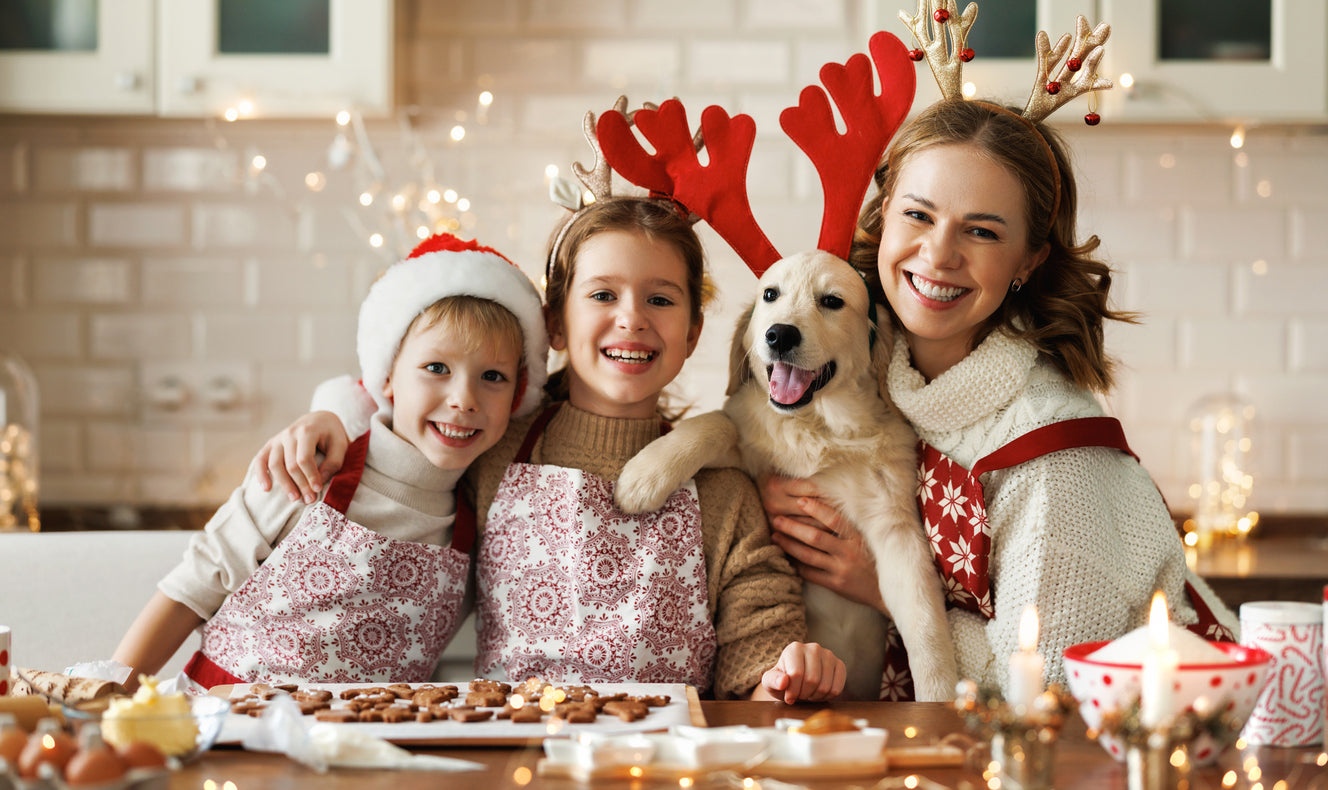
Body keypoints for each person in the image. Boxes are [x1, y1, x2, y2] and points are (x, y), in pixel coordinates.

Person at [253, 198, 845, 703]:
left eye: (660, 300)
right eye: (603, 294)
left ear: (692, 333)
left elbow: (759, 653)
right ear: (554, 325)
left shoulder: (721, 489)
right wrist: (332, 415)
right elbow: (405, 436)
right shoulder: (493, 450)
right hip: (513, 762)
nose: (632, 319)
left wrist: (787, 677)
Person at [758, 98, 1239, 698]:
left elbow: (1045, 694)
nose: (938, 254)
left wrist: (893, 593)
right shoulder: (866, 380)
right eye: (918, 215)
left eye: (981, 231)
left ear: (1029, 260)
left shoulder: (1054, 457)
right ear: (882, 220)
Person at [112, 233, 549, 689]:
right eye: (436, 368)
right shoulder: (307, 470)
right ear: (388, 376)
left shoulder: (480, 518)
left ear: (517, 394)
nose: (463, 399)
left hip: (365, 744)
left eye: (493, 376)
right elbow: (190, 591)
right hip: (230, 723)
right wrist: (109, 695)